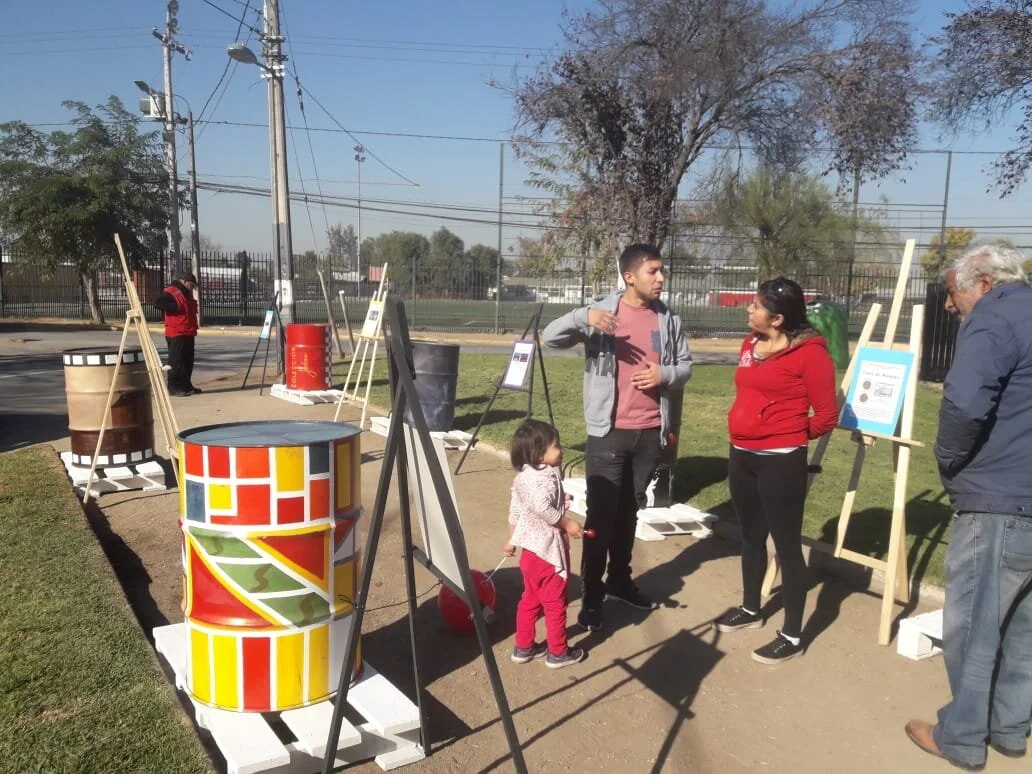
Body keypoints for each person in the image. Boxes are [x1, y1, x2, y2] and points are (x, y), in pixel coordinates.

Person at [905, 244, 1032, 770]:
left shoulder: (994, 319)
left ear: (983, 283)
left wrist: (949, 461)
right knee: (1023, 626)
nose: (948, 304)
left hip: (998, 499)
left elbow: (963, 403)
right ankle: (1009, 727)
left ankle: (960, 736)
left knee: (974, 625)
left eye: (951, 292)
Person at [542, 243, 692, 632]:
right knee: (601, 516)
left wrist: (664, 375)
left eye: (662, 271)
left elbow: (685, 367)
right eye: (653, 271)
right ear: (629, 276)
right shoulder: (602, 314)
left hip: (649, 433)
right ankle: (591, 596)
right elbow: (549, 338)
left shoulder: (668, 319)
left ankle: (620, 581)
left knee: (629, 512)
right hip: (607, 432)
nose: (661, 278)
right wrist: (582, 316)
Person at [714, 276, 837, 664]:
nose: (749, 309)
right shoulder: (750, 344)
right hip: (741, 454)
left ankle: (792, 634)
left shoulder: (811, 355)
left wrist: (787, 434)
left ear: (778, 318)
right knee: (751, 535)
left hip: (781, 460)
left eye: (756, 305)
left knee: (785, 544)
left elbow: (827, 415)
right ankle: (751, 608)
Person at [505, 419, 586, 669]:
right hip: (548, 553)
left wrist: (511, 539)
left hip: (529, 554)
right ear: (539, 454)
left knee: (530, 599)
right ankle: (558, 652)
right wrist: (567, 523)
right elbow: (542, 507)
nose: (561, 450)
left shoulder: (523, 478)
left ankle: (524, 646)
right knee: (554, 603)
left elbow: (515, 511)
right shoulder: (544, 479)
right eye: (556, 446)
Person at [153, 271, 200, 396]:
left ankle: (186, 385)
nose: (192, 288)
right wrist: (175, 307)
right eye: (191, 285)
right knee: (176, 361)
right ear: (185, 282)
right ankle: (173, 386)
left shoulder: (186, 293)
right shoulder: (171, 291)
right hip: (176, 332)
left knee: (188, 361)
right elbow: (158, 303)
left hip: (188, 331)